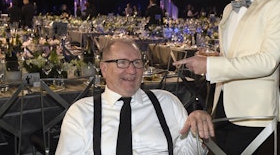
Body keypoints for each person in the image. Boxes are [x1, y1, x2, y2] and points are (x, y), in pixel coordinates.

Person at [173, 0, 280, 154]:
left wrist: (210, 65)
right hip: (222, 107)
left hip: (254, 114)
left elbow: (266, 62)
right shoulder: (229, 9)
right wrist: (215, 57)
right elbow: (236, 55)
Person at [56, 38, 214, 154]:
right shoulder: (81, 112)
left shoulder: (166, 101)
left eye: (137, 62)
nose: (132, 71)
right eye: (122, 62)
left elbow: (190, 152)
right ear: (104, 69)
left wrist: (199, 129)